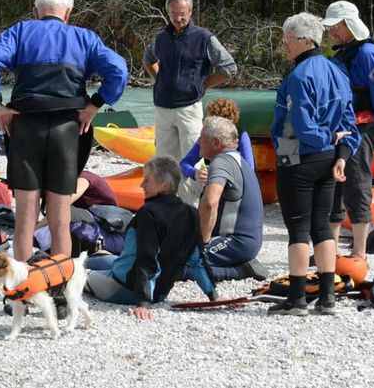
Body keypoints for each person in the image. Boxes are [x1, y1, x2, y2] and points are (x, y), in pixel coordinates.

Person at [0, 0, 128, 265]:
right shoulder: (85, 38)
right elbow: (118, 69)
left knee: (25, 216)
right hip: (68, 129)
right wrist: (95, 104)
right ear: (68, 13)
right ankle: (58, 283)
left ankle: (21, 288)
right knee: (59, 216)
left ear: (35, 11)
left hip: (26, 126)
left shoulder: (20, 32)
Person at [269, 12, 361, 315]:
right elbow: (351, 123)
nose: (283, 45)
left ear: (305, 41)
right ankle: (327, 297)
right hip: (328, 160)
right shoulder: (338, 72)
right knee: (322, 225)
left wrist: (328, 138)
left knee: (297, 228)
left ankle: (296, 299)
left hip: (298, 157)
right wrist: (342, 155)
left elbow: (303, 127)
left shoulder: (298, 76)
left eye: (287, 40)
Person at [84, 156, 216, 319]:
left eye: (147, 180)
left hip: (124, 289)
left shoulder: (149, 213)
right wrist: (214, 296)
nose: (141, 185)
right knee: (101, 259)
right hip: (160, 294)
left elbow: (148, 258)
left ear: (164, 186)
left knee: (81, 273)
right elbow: (197, 260)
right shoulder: (191, 213)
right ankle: (87, 258)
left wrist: (143, 303)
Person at [143, 0, 238, 204]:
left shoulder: (203, 37)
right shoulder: (161, 38)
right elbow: (148, 59)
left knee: (194, 160)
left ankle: (194, 207)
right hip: (162, 108)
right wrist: (159, 80)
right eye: (173, 13)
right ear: (167, 12)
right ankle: (166, 206)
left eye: (182, 13)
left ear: (191, 11)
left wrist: (205, 85)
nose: (178, 18)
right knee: (164, 161)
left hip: (188, 107)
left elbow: (230, 67)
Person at [323, 0, 374, 260]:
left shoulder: (367, 54)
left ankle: (359, 252)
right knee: (333, 186)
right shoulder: (344, 52)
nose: (331, 32)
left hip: (362, 129)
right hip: (340, 128)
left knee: (357, 184)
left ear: (349, 25)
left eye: (335, 27)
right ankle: (328, 249)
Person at [194, 116, 266, 282]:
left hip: (236, 242)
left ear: (216, 142)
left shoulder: (221, 163)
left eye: (202, 138)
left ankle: (240, 271)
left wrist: (203, 244)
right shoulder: (238, 159)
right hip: (247, 241)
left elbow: (210, 203)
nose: (198, 141)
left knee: (182, 265)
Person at [180, 97, 255, 183]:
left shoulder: (241, 136)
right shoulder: (207, 136)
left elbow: (249, 168)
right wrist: (195, 173)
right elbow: (185, 163)